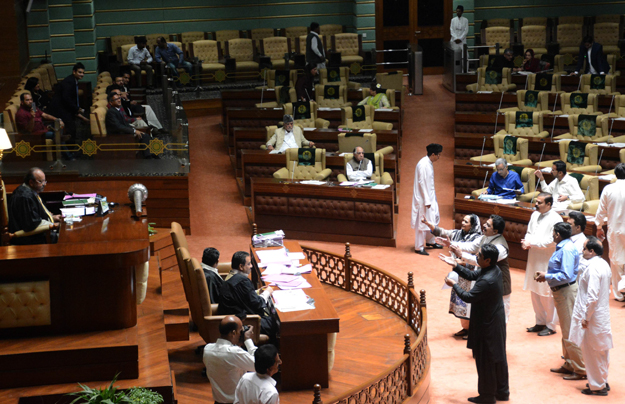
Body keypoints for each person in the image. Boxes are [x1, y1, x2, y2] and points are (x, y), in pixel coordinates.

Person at [441, 244, 509, 404]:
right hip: (495, 320)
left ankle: (487, 396)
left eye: (479, 256)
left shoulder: (487, 280)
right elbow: (472, 275)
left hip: (487, 324)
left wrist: (454, 285)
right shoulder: (493, 269)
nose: (476, 257)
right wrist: (455, 265)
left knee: (486, 359)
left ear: (488, 259)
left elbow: (469, 296)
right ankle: (502, 391)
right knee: (498, 357)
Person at [535, 222, 586, 380]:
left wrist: (546, 276)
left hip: (566, 292)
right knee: (566, 330)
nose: (552, 235)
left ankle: (581, 369)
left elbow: (565, 274)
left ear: (557, 234)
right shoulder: (564, 247)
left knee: (571, 330)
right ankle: (570, 363)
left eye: (553, 232)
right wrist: (548, 276)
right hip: (561, 291)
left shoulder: (567, 250)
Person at [423, 214, 483, 337]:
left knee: (470, 304)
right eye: (463, 220)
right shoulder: (457, 233)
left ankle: (473, 331)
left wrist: (463, 261)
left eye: (466, 222)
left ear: (472, 225)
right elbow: (443, 232)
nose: (463, 223)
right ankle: (466, 328)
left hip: (471, 276)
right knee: (461, 303)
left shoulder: (478, 239)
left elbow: (478, 258)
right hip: (458, 272)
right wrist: (429, 224)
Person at [570, 237, 613, 396]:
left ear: (591, 251)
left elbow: (592, 297)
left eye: (584, 249)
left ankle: (597, 386)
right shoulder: (603, 264)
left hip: (594, 316)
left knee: (592, 351)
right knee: (601, 350)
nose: (582, 252)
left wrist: (586, 318)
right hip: (601, 315)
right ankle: (602, 381)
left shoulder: (594, 268)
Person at [449, 215, 512, 323]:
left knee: (499, 318)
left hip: (500, 285)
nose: (483, 225)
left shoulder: (501, 247)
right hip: (485, 281)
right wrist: (451, 244)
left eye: (488, 225)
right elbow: (471, 246)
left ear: (495, 231)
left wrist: (461, 254)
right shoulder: (485, 237)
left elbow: (479, 261)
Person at [522, 193, 562, 336]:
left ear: (549, 204)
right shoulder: (534, 215)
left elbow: (552, 241)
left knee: (546, 292)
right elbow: (529, 232)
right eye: (536, 202)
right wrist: (527, 242)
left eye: (540, 202)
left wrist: (531, 243)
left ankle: (551, 325)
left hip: (547, 259)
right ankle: (540, 322)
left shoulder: (556, 219)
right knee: (535, 291)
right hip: (534, 256)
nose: (536, 204)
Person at [218, 251, 278, 340]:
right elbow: (257, 303)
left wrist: (256, 292)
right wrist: (267, 292)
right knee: (275, 322)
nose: (251, 266)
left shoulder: (230, 277)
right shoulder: (243, 281)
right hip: (243, 322)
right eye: (249, 264)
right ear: (241, 267)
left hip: (233, 318)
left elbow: (243, 296)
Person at [203, 316, 257, 404]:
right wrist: (248, 340)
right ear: (233, 333)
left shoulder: (207, 349)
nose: (241, 334)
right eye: (240, 331)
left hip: (218, 401)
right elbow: (257, 364)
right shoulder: (234, 353)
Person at [594, 163, 625, 301]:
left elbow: (601, 211)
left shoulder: (608, 188)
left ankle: (619, 294)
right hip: (616, 229)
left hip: (615, 230)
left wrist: (599, 227)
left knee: (616, 260)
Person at [7, 167, 61, 245]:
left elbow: (33, 216)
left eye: (44, 181)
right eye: (40, 181)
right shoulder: (24, 197)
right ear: (31, 182)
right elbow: (32, 224)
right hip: (29, 239)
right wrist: (54, 225)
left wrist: (52, 217)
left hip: (35, 234)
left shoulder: (30, 191)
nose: (44, 184)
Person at [411, 143, 443, 255]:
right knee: (422, 222)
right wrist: (427, 200)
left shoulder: (428, 163)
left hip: (430, 196)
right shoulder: (423, 164)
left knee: (433, 218)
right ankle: (419, 247)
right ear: (433, 154)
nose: (439, 157)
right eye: (438, 155)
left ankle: (431, 241)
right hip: (423, 199)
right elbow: (422, 183)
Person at [105, 92, 154, 159]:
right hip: (118, 135)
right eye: (116, 99)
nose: (119, 100)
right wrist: (134, 131)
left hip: (123, 131)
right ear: (111, 103)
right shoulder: (111, 112)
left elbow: (124, 122)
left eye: (119, 98)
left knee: (145, 136)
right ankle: (149, 157)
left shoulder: (118, 109)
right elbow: (118, 126)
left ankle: (150, 155)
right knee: (144, 136)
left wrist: (134, 130)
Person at [49, 62, 89, 142]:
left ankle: (71, 150)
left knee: (72, 129)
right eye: (80, 72)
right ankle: (70, 151)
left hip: (65, 109)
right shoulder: (69, 82)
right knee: (70, 130)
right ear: (74, 72)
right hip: (61, 110)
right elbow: (66, 99)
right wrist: (77, 109)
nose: (82, 75)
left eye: (83, 73)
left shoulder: (73, 80)